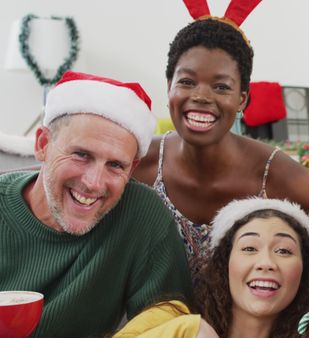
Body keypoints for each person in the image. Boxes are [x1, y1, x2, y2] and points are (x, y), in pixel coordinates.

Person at [131, 0, 309, 279]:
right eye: (187, 82)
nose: (201, 96)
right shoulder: (136, 161)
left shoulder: (274, 174)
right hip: (153, 322)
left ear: (242, 99)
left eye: (221, 87)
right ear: (169, 87)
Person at [0, 71, 192, 337]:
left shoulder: (140, 214)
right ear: (43, 144)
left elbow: (170, 321)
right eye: (81, 155)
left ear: (132, 168)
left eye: (115, 165)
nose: (93, 183)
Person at [115, 197, 309, 338]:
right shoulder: (169, 317)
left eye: (284, 251)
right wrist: (187, 331)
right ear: (224, 263)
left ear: (305, 270)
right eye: (249, 248)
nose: (266, 263)